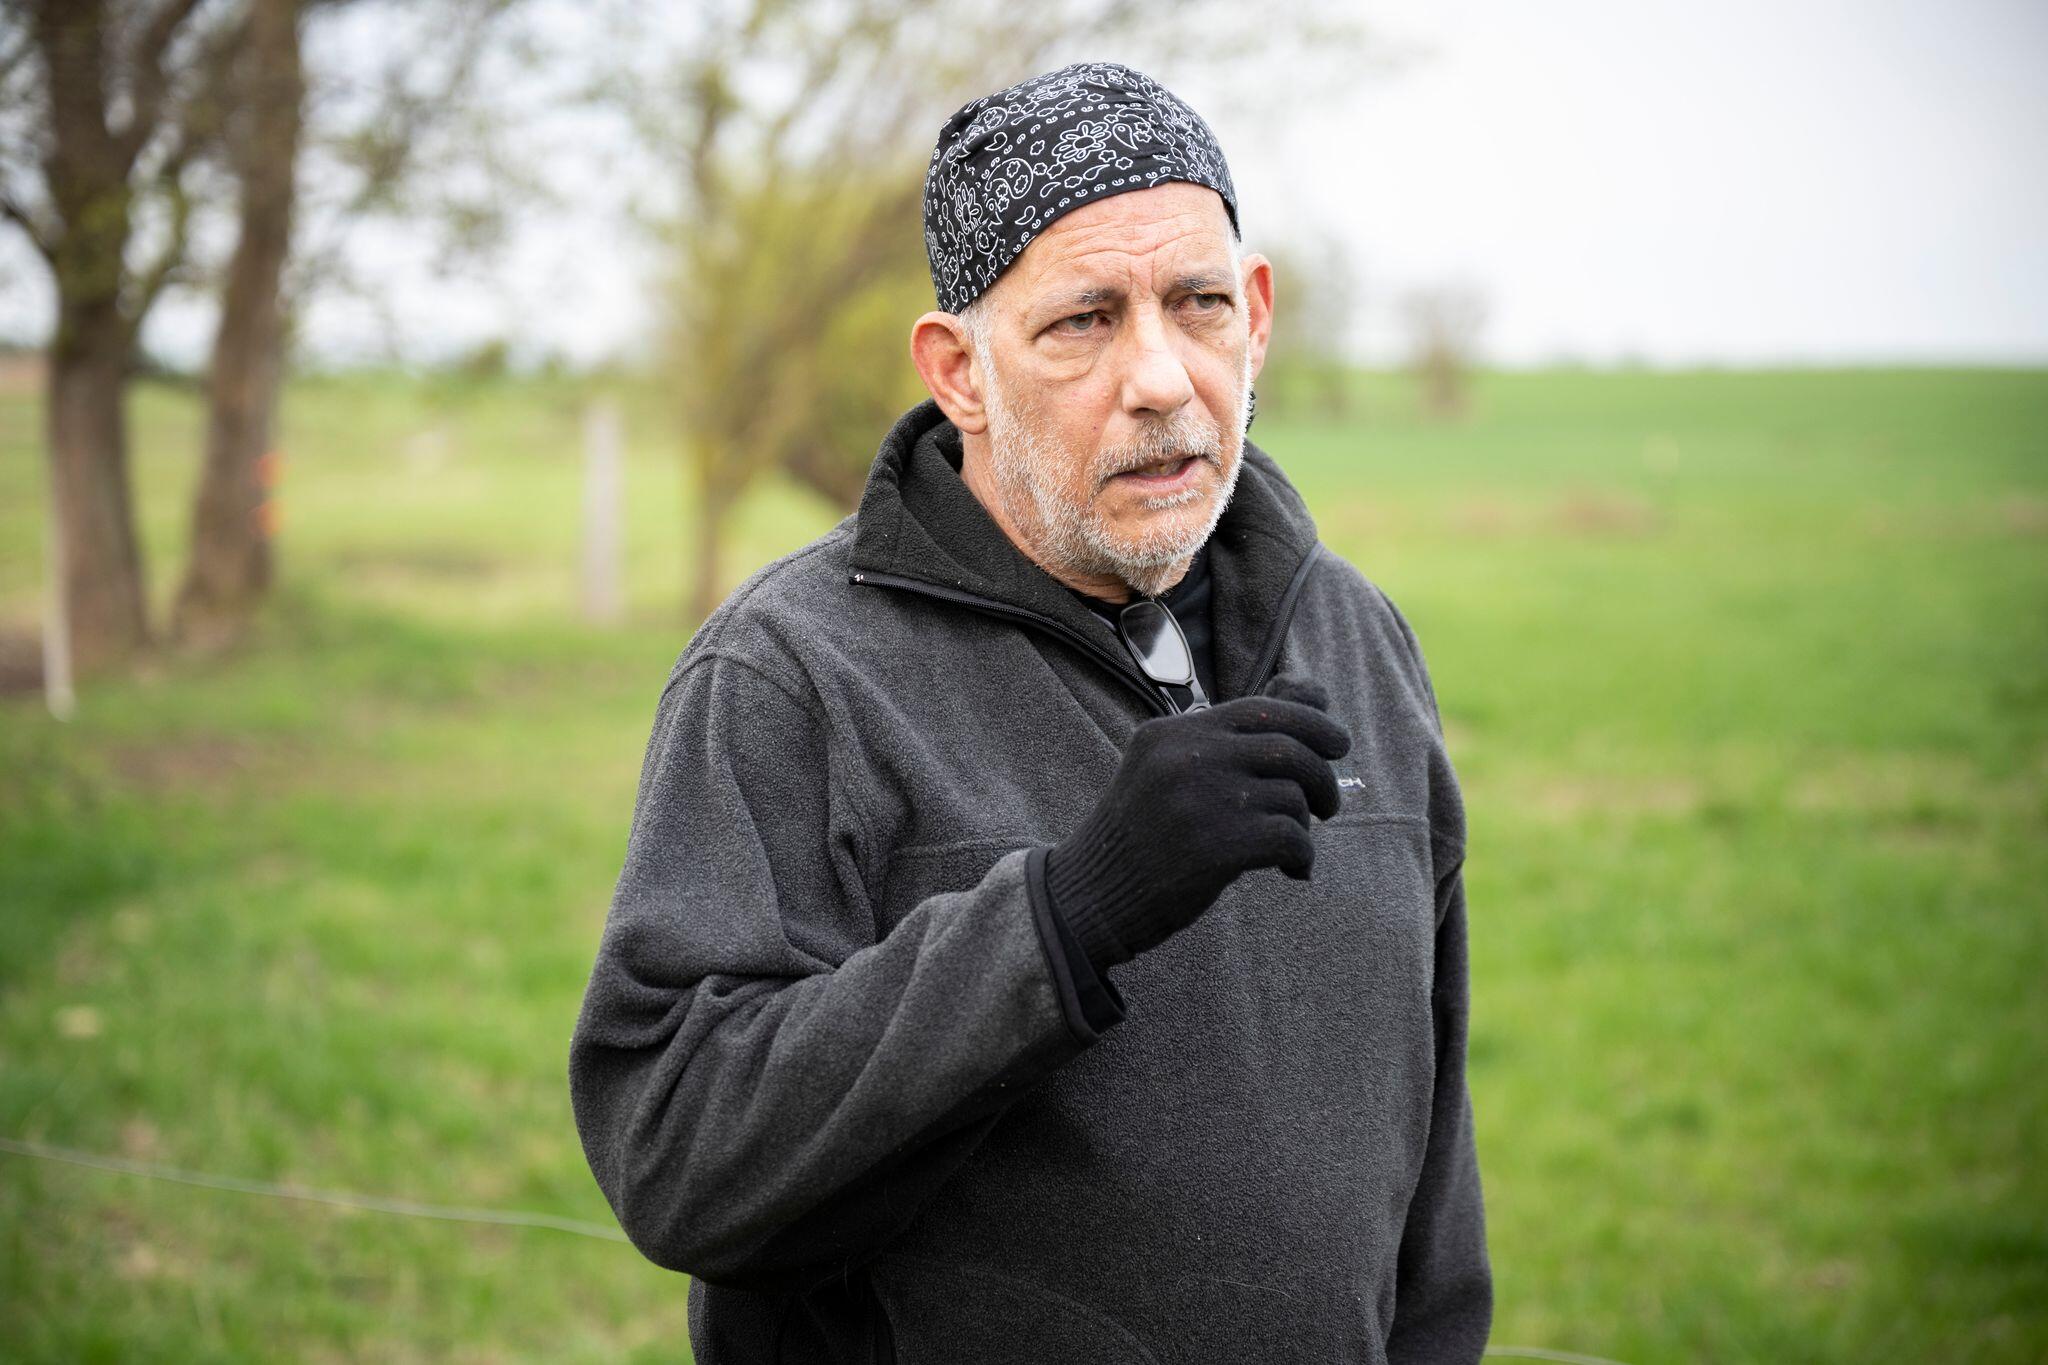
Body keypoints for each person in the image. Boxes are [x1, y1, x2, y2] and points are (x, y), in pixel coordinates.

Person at [569, 61, 1491, 1364]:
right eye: (1084, 321)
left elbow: (1430, 1185)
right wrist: (1069, 914)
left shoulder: (1355, 635)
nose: (1161, 378)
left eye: (1197, 305)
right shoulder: (794, 676)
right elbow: (678, 1156)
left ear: (1257, 315)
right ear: (960, 372)